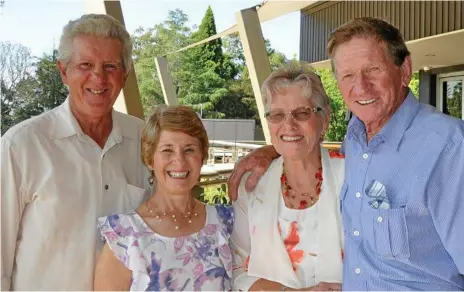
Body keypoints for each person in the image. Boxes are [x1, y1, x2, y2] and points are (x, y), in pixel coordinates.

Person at [228, 17, 464, 290]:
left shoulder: (448, 146)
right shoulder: (356, 142)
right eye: (348, 75)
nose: (361, 87)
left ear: (405, 69)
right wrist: (272, 152)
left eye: (373, 69)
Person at [1, 14, 149, 290]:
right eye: (85, 65)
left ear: (125, 75)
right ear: (63, 72)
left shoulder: (146, 141)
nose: (98, 77)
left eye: (110, 66)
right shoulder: (21, 145)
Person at [94, 105, 234, 291]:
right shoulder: (125, 237)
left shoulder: (226, 221)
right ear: (150, 159)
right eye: (167, 150)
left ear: (202, 157)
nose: (179, 161)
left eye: (189, 150)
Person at [231, 62, 344, 292]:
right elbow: (236, 269)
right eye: (277, 115)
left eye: (302, 113)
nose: (289, 125)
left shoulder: (353, 178)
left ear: (325, 119)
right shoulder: (251, 187)